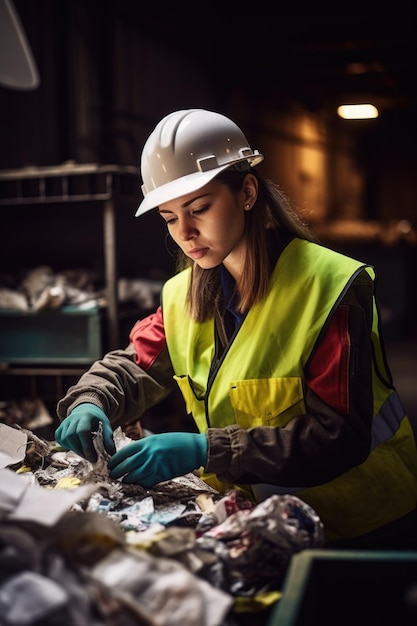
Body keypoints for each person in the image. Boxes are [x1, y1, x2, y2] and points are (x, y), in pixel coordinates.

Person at [55, 108, 417, 549]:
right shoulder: (184, 293)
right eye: (169, 218)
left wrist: (205, 450)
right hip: (261, 527)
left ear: (247, 192)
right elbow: (135, 365)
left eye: (199, 208)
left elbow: (339, 437)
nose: (185, 233)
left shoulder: (328, 287)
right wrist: (90, 400)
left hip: (356, 529)